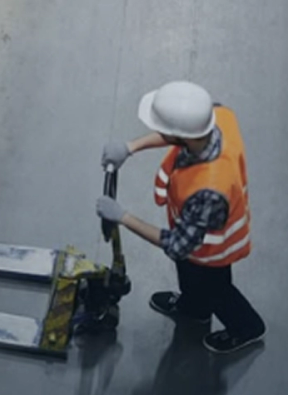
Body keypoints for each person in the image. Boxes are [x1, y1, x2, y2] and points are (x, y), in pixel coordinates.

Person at [96, 81, 265, 354]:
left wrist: (122, 216)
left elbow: (178, 245)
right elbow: (177, 134)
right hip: (193, 231)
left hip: (211, 250)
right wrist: (130, 147)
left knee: (216, 290)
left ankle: (247, 327)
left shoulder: (210, 187)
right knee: (189, 276)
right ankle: (194, 309)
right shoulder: (219, 116)